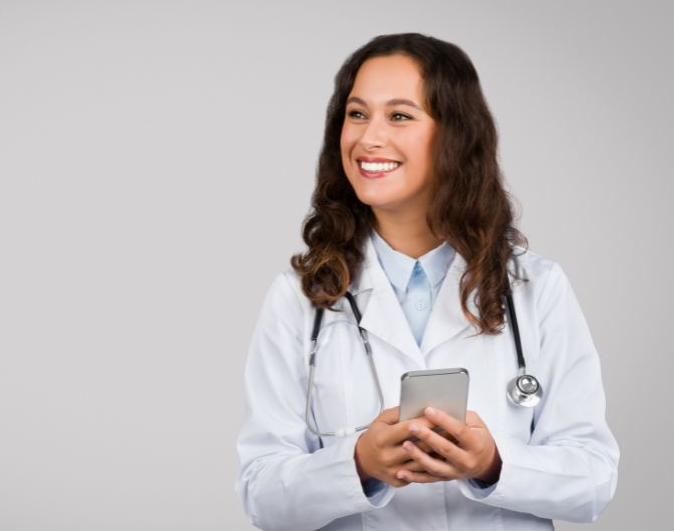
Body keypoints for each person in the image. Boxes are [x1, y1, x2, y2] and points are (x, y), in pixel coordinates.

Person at [234, 33, 619, 530]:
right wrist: (359, 465)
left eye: (399, 115)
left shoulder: (535, 287)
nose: (369, 138)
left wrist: (492, 465)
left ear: (454, 134)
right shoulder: (301, 296)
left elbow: (593, 481)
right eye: (356, 114)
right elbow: (262, 496)